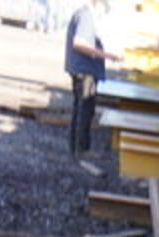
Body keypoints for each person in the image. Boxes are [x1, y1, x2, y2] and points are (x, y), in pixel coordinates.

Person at [64, 0, 111, 154]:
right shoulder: (86, 16)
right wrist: (105, 55)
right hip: (85, 72)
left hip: (82, 70)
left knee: (81, 109)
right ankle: (80, 149)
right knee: (84, 110)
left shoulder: (83, 14)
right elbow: (79, 43)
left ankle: (77, 148)